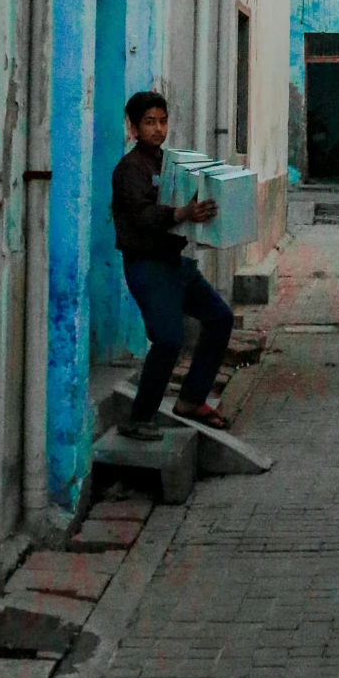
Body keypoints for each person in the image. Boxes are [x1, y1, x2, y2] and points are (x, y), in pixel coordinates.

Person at [111, 90, 235, 442]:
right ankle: (139, 418)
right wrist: (182, 213)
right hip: (147, 266)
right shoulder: (129, 169)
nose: (158, 129)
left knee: (219, 317)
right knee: (168, 339)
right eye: (149, 122)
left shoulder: (171, 164)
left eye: (162, 121)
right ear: (133, 127)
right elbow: (144, 216)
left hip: (175, 263)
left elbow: (186, 201)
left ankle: (192, 399)